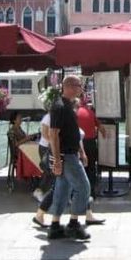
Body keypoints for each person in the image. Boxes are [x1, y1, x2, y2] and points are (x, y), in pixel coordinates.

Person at [47, 75, 92, 240]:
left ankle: (55, 225)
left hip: (70, 154)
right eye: (79, 86)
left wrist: (81, 151)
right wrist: (58, 160)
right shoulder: (60, 107)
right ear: (70, 86)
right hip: (66, 156)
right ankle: (73, 224)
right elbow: (53, 134)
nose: (81, 89)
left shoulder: (68, 106)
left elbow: (73, 131)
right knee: (84, 187)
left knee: (62, 190)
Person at [76, 98, 106, 199]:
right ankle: (91, 192)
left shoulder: (74, 113)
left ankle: (81, 193)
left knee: (80, 169)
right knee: (91, 168)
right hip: (91, 143)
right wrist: (105, 136)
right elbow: (101, 128)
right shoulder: (91, 112)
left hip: (79, 143)